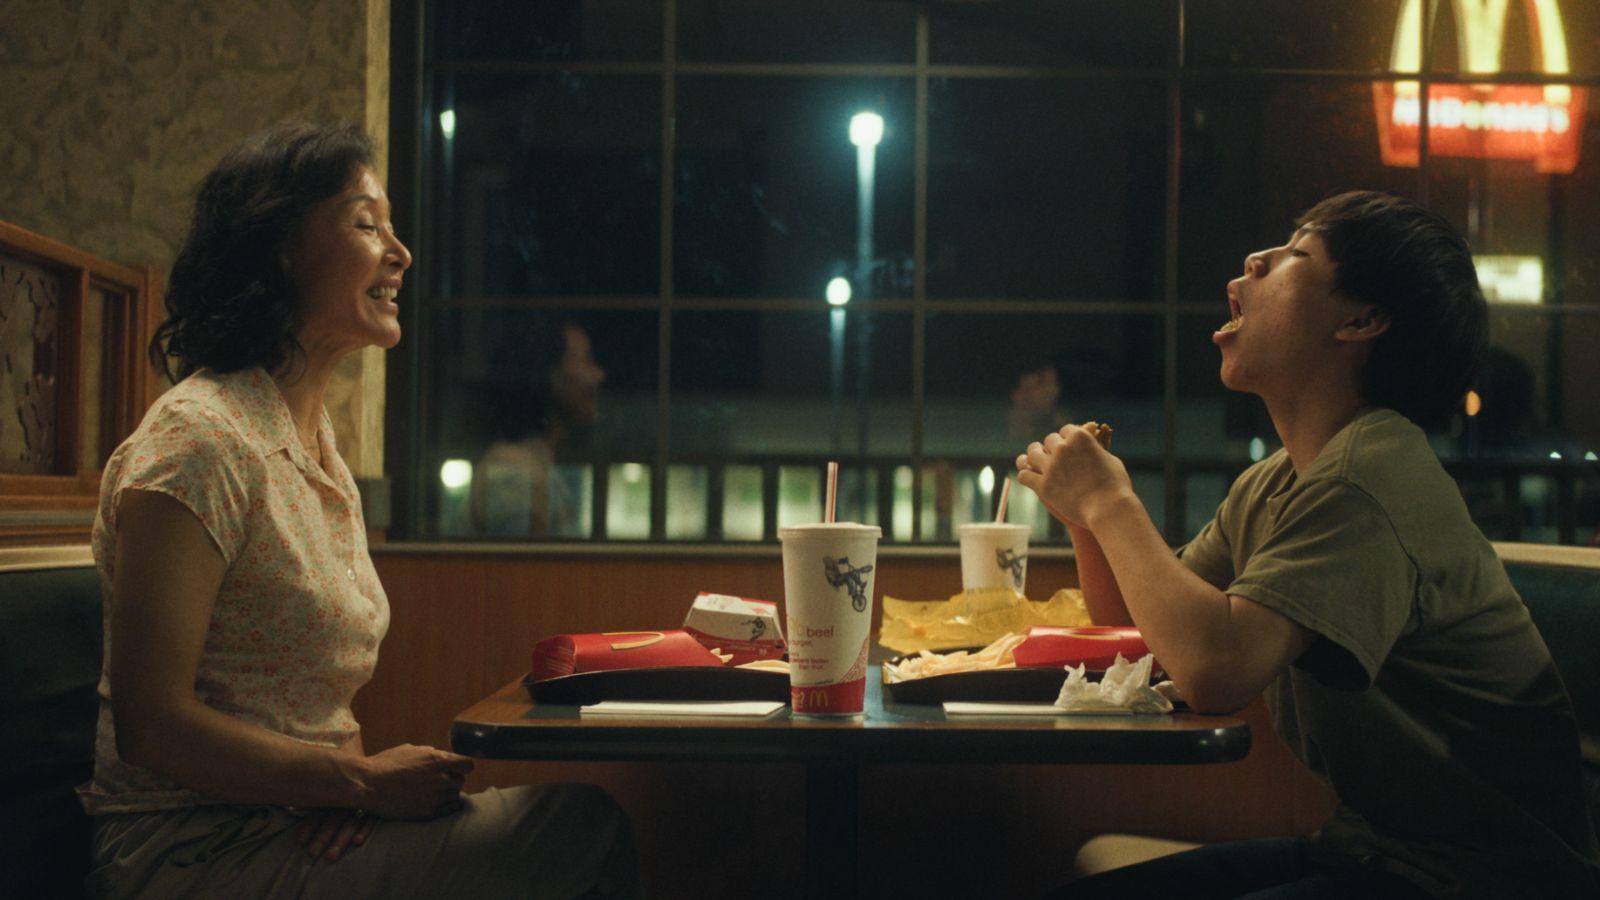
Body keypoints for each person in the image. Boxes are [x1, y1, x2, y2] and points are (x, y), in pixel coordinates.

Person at [80, 120, 642, 899]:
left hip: (294, 819)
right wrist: (355, 783)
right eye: (366, 223)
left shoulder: (311, 440)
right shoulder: (199, 441)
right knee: (575, 830)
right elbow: (150, 724)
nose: (400, 252)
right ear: (280, 248)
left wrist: (342, 790)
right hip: (191, 850)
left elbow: (303, 706)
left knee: (576, 822)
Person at [1017, 191, 1600, 898]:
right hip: (1370, 852)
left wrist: (1110, 501)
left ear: (1362, 319)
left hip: (1483, 880)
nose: (1253, 260)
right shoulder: (1279, 481)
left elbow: (1215, 670)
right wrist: (1084, 518)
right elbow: (1138, 641)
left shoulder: (1368, 477)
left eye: (1295, 252)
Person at [470, 318, 606, 537]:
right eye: (586, 361)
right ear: (549, 374)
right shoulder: (513, 474)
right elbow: (516, 569)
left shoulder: (531, 465)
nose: (599, 375)